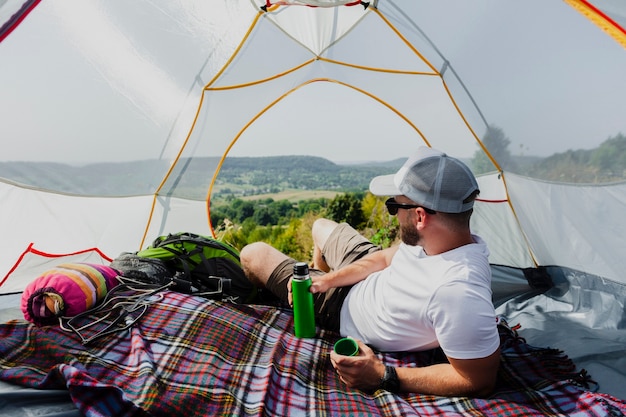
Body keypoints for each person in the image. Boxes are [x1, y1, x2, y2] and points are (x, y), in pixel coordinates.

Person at [239, 146, 500, 397]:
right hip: (367, 271)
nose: (394, 216)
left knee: (252, 254)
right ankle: (316, 280)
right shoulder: (438, 240)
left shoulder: (456, 292)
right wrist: (326, 280)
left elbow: (477, 380)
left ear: (420, 217)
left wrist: (382, 375)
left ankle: (316, 307)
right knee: (320, 226)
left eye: (395, 207)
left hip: (344, 307)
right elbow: (386, 257)